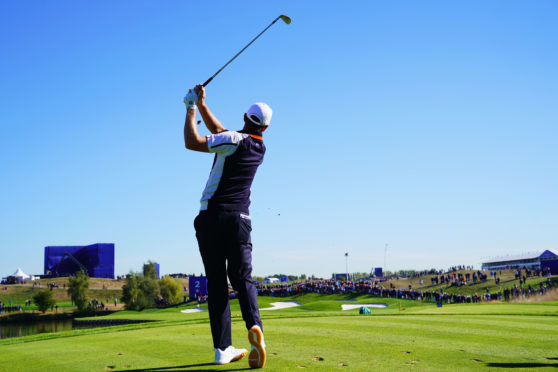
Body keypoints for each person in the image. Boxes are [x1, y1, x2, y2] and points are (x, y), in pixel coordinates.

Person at [183, 84, 268, 368]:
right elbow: (223, 133)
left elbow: (192, 141)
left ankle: (222, 349)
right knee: (243, 277)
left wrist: (190, 107)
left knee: (217, 283)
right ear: (265, 128)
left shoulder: (233, 139)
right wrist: (204, 105)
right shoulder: (259, 147)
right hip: (241, 220)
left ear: (245, 116)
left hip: (211, 218)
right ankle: (255, 327)